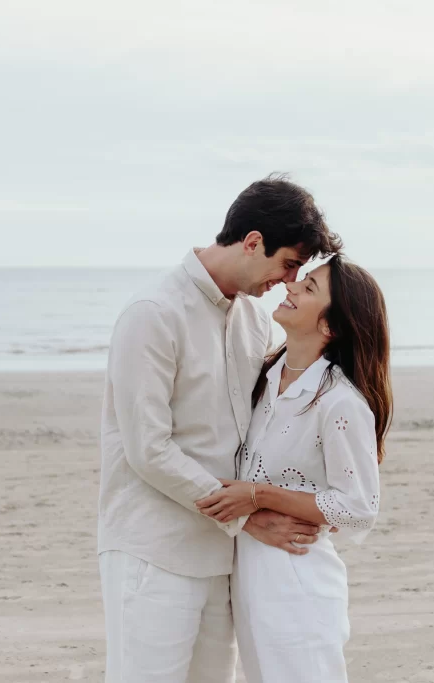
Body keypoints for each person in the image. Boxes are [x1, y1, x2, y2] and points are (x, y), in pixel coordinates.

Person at [97, 175, 343, 683]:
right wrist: (243, 517)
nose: (290, 280)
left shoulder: (253, 317)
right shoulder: (154, 313)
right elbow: (148, 449)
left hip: (226, 559)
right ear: (253, 242)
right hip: (155, 549)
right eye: (289, 264)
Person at [196, 255, 393, 682]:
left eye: (309, 289)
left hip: (299, 583)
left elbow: (359, 507)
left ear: (331, 326)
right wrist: (250, 515)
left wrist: (258, 496)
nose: (291, 288)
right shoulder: (263, 379)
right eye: (298, 282)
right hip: (248, 580)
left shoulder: (340, 403)